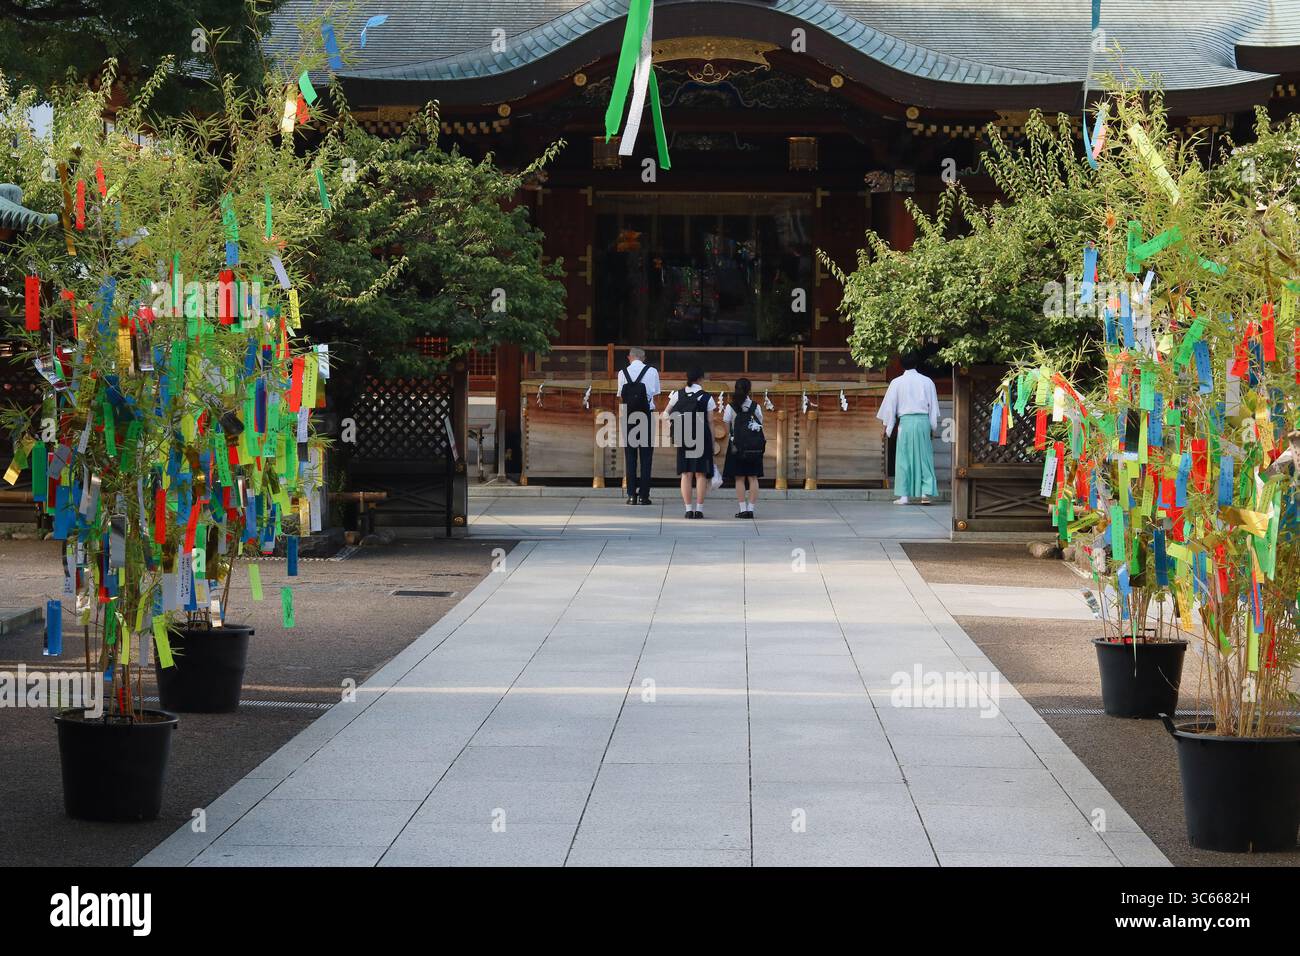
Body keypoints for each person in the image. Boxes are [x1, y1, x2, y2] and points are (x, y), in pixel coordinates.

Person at [876, 355, 939, 505]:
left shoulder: (896, 382)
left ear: (901, 365)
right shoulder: (927, 381)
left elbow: (890, 407)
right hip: (923, 422)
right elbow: (933, 405)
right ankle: (925, 493)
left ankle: (904, 496)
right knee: (925, 457)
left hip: (906, 423)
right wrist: (933, 425)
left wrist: (887, 427)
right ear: (917, 363)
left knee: (904, 459)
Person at [666, 367, 716, 519]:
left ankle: (688, 509)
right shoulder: (707, 397)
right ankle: (699, 510)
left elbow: (666, 413)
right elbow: (711, 421)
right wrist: (712, 443)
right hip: (702, 437)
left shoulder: (677, 394)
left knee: (686, 474)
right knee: (700, 474)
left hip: (683, 436)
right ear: (701, 379)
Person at [617, 347, 660, 505]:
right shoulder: (652, 371)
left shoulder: (622, 373)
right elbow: (656, 395)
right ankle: (644, 496)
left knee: (630, 456)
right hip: (646, 415)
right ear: (644, 358)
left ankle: (631, 496)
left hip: (629, 416)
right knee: (646, 456)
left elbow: (621, 398)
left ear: (630, 357)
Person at [722, 377, 764, 518]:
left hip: (736, 447)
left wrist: (734, 437)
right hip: (754, 448)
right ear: (749, 390)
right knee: (753, 478)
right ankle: (751, 509)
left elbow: (727, 428)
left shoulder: (730, 407)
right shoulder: (755, 406)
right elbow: (759, 425)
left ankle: (742, 509)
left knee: (739, 478)